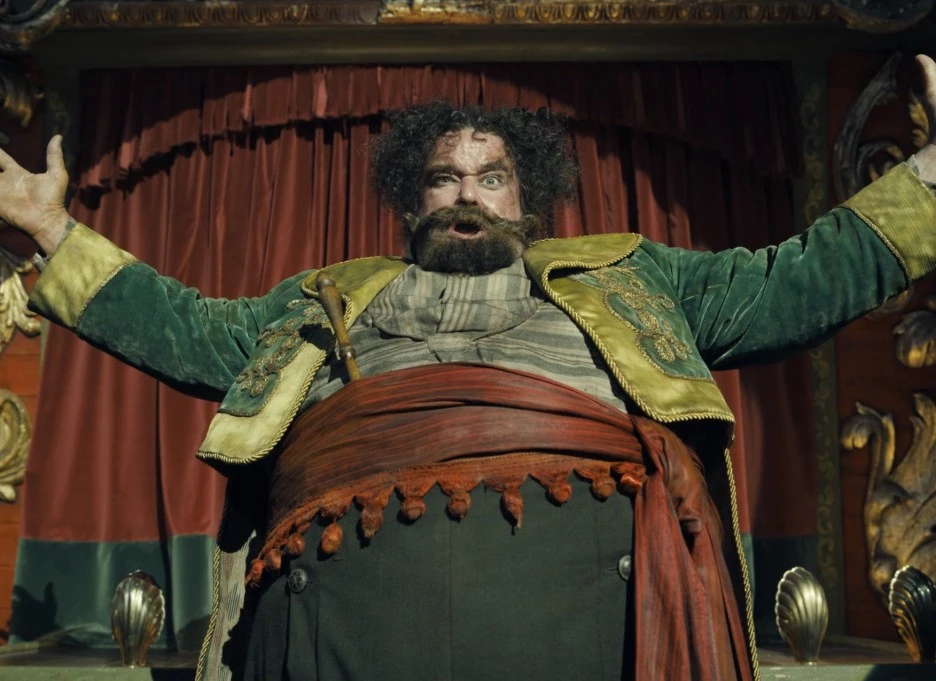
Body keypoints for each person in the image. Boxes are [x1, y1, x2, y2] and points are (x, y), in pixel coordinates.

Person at [5, 56, 936, 681]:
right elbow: (185, 328)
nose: (467, 195)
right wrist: (52, 229)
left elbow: (794, 282)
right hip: (338, 634)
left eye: (491, 178)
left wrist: (929, 184)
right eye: (443, 178)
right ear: (412, 203)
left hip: (593, 629)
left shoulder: (630, 277)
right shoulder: (320, 300)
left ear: (525, 203)